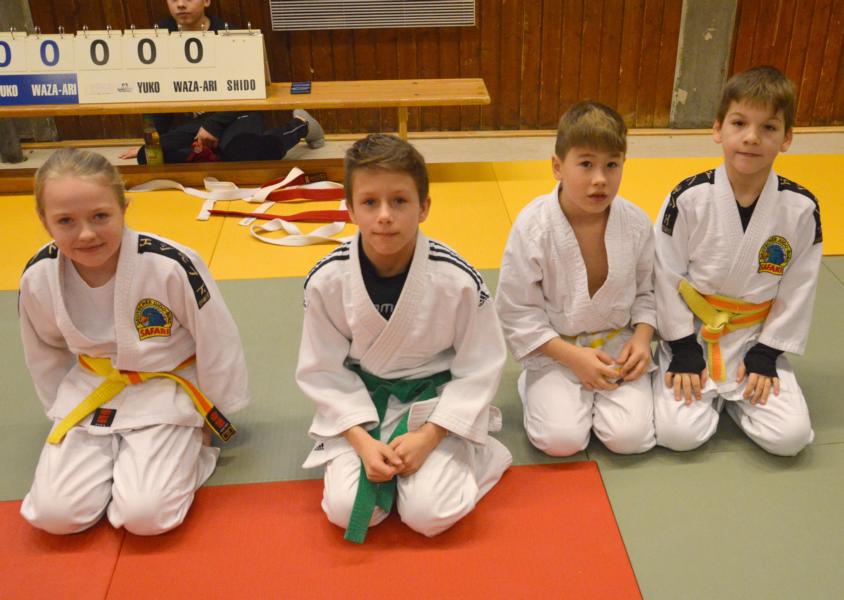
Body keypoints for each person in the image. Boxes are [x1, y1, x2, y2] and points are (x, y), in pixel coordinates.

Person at [19, 148, 249, 535]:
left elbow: (217, 339)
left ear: (124, 208)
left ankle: (185, 451)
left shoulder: (169, 264)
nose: (86, 233)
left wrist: (214, 413)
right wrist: (56, 409)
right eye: (66, 221)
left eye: (100, 216)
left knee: (146, 516)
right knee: (55, 515)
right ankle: (114, 462)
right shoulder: (39, 276)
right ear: (45, 222)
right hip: (90, 392)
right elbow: (43, 352)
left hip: (165, 392)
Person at [296, 134, 512, 543]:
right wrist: (361, 441)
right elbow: (322, 371)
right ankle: (397, 467)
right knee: (345, 511)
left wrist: (431, 435)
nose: (384, 216)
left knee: (428, 516)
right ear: (350, 209)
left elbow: (481, 366)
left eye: (399, 201)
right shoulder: (327, 280)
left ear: (423, 207)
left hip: (434, 406)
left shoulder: (458, 280)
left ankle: (481, 453)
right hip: (363, 407)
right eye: (370, 202)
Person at [653, 66, 821, 456]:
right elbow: (665, 273)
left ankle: (736, 397)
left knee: (791, 438)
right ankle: (703, 388)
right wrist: (682, 347)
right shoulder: (688, 198)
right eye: (739, 123)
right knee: (680, 436)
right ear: (718, 129)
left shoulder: (800, 208)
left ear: (787, 138)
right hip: (695, 335)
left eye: (769, 127)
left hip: (753, 339)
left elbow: (799, 287)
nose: (751, 137)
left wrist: (767, 353)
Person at [496, 101, 657, 457]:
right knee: (561, 441)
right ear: (558, 166)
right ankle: (534, 387)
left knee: (630, 439)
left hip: (617, 348)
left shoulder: (635, 224)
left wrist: (643, 338)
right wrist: (572, 357)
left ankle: (591, 404)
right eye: (586, 164)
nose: (600, 179)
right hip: (556, 351)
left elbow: (648, 292)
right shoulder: (533, 227)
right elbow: (516, 310)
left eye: (612, 165)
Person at [119, 0, 324, 164]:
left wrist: (213, 126)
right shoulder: (160, 35)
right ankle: (219, 154)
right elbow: (155, 92)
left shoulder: (229, 35)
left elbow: (247, 91)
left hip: (237, 111)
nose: (180, 4)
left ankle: (302, 124)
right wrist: (157, 141)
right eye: (173, 0)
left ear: (206, 1)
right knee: (149, 157)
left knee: (244, 152)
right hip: (198, 122)